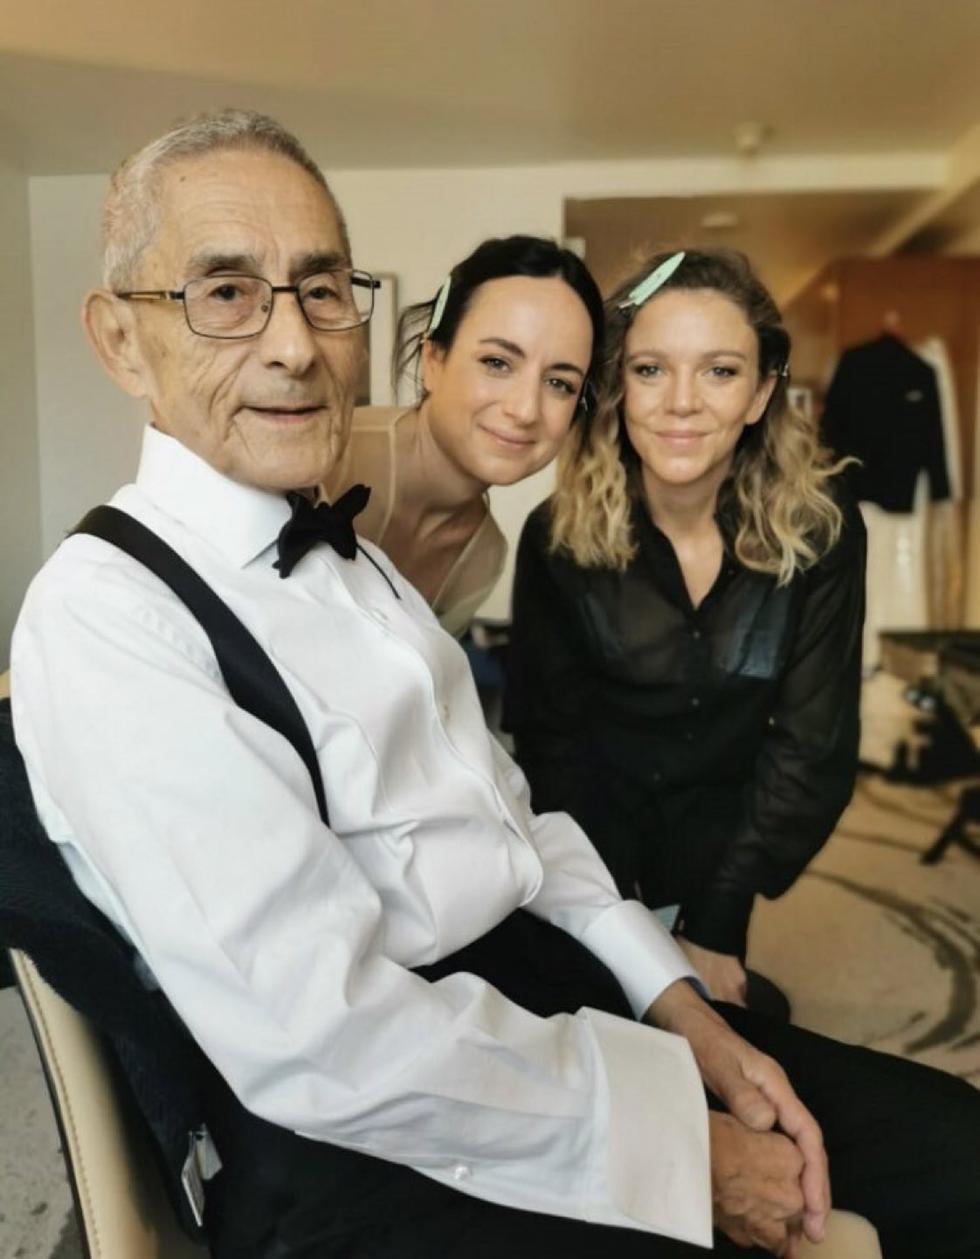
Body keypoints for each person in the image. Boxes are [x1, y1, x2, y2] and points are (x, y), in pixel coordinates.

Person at [8, 114, 980, 1259]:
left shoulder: (362, 561)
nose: (291, 344)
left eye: (322, 292)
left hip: (541, 981)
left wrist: (675, 1000)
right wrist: (680, 1145)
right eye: (225, 292)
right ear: (122, 341)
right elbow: (323, 1040)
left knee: (956, 1149)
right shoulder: (103, 616)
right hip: (374, 1123)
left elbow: (516, 819)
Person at [506, 249, 864, 1012]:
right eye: (650, 370)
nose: (681, 403)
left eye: (720, 371)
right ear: (617, 389)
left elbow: (813, 747)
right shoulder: (557, 536)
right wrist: (622, 917)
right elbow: (552, 743)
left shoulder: (821, 533)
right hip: (597, 842)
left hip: (728, 846)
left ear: (763, 392)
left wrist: (718, 919)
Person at [324, 235, 603, 636]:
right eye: (497, 362)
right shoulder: (329, 457)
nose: (525, 410)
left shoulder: (483, 556)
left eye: (559, 383)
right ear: (434, 360)